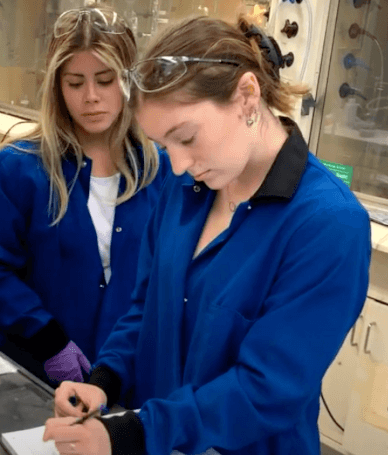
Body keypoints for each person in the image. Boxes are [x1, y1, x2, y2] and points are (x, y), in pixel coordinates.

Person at [43, 15, 372, 455]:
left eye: (187, 138)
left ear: (247, 97)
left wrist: (137, 433)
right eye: (164, 145)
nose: (177, 164)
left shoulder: (326, 224)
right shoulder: (185, 189)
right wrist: (105, 380)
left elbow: (266, 388)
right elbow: (144, 308)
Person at [0, 6, 168, 387]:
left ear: (128, 81)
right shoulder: (20, 168)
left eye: (105, 81)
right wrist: (49, 340)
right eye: (75, 83)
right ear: (57, 86)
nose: (91, 97)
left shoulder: (160, 170)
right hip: (38, 369)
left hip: (129, 377)